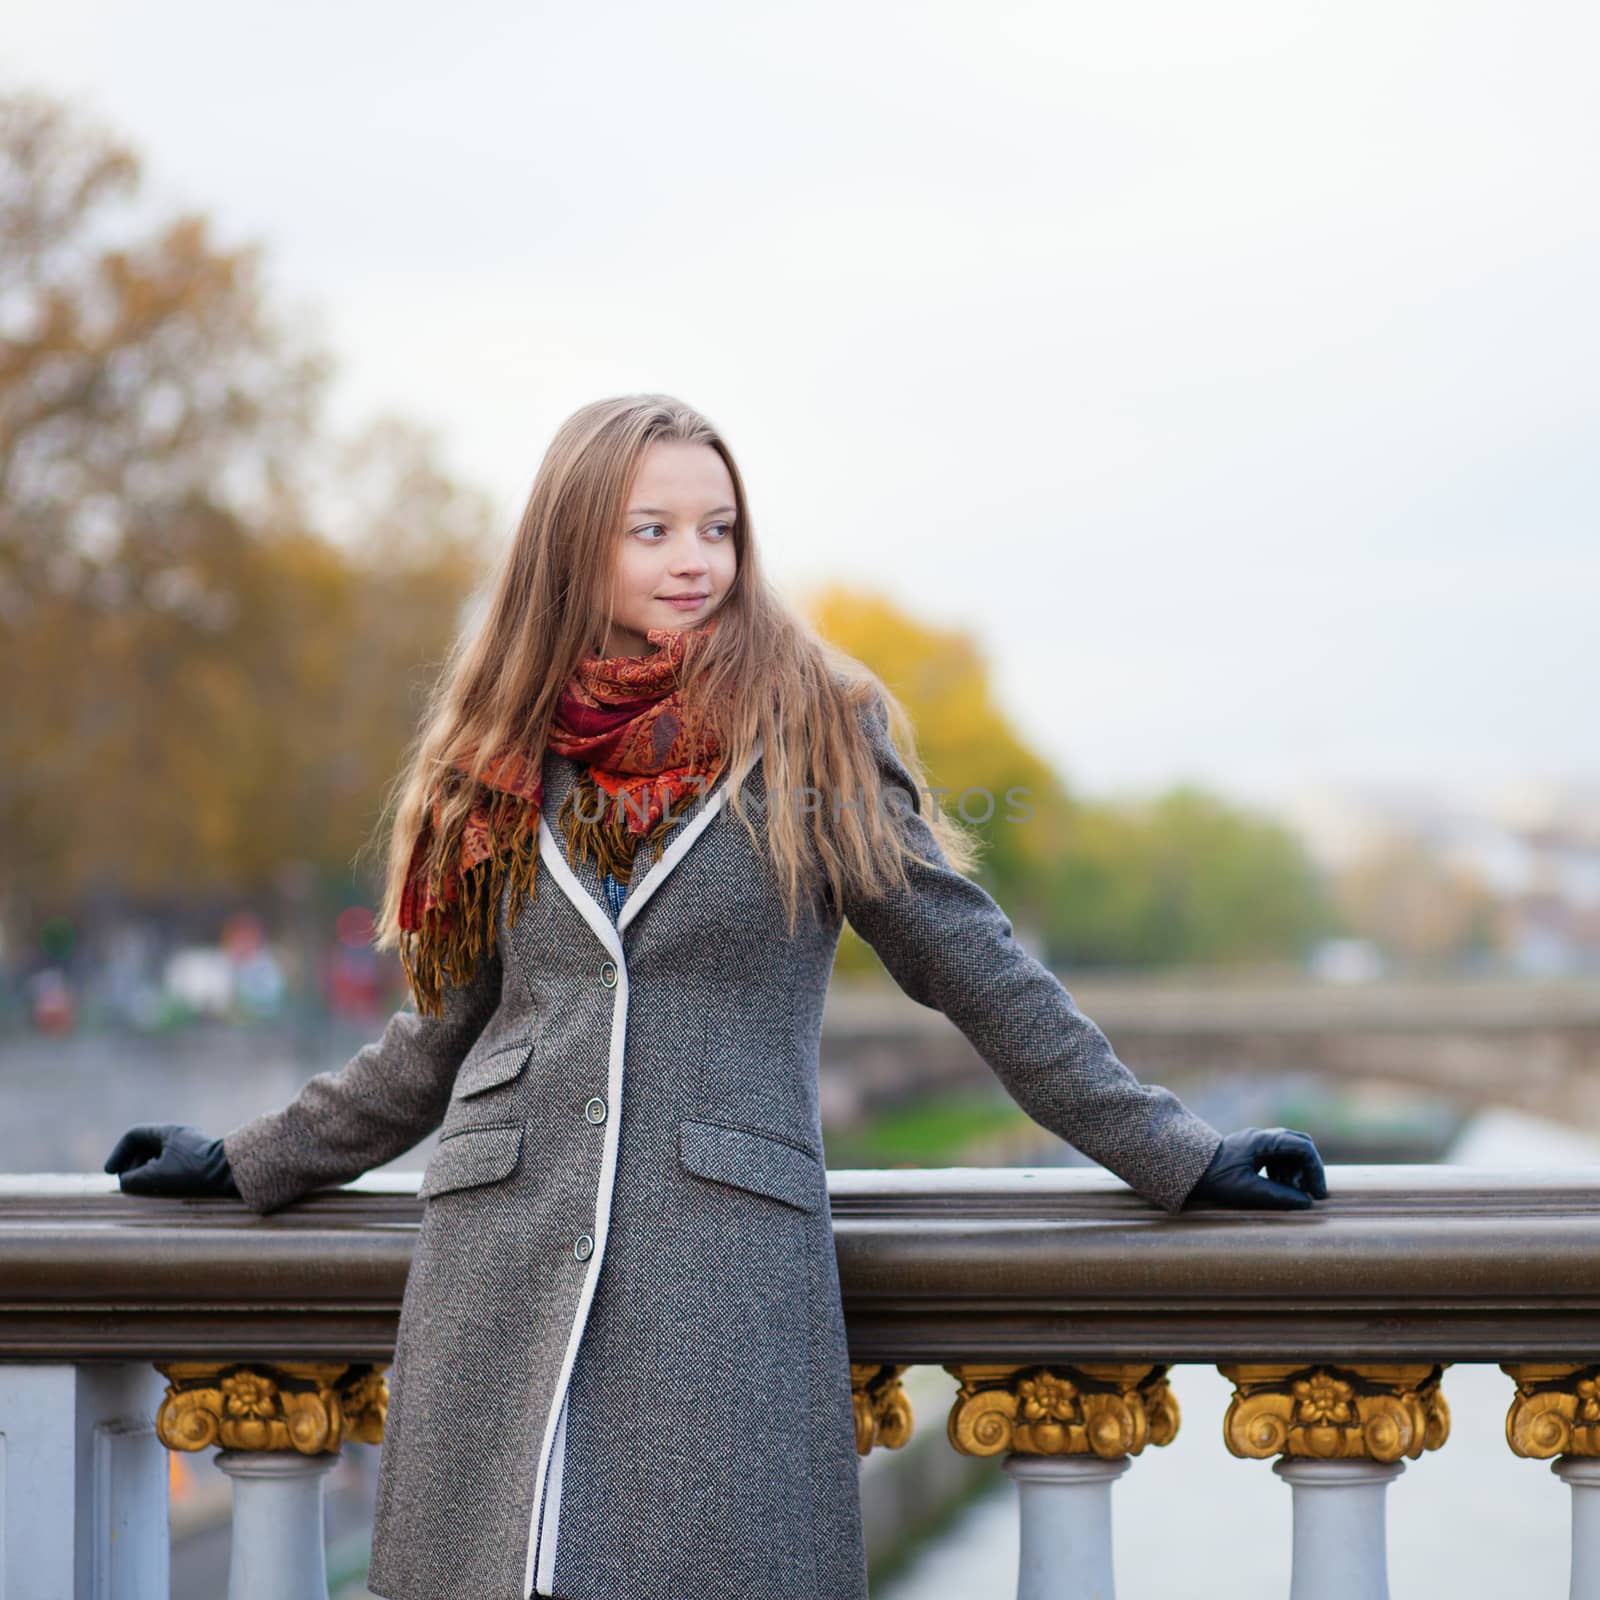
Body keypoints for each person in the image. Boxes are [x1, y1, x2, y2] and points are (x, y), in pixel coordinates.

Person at [106, 394, 1327, 1600]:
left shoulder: (817, 727)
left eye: (720, 528)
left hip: (720, 1286)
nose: (697, 560)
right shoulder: (491, 747)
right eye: (653, 530)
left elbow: (967, 957)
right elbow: (438, 1040)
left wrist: (1172, 1146)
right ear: (572, 542)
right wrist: (249, 1158)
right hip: (498, 1284)